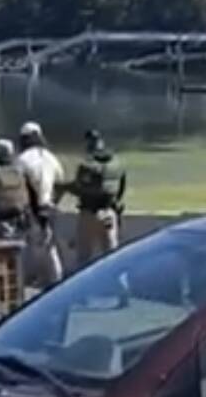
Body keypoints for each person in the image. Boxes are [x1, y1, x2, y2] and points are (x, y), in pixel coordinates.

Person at [65, 129, 127, 267]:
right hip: (110, 212)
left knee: (83, 257)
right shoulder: (117, 164)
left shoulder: (86, 166)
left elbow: (79, 188)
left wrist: (64, 187)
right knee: (112, 256)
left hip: (89, 213)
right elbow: (121, 188)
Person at [16, 121, 65, 287]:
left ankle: (32, 281)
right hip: (50, 208)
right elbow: (60, 182)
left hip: (34, 210)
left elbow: (20, 186)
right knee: (50, 246)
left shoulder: (22, 160)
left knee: (34, 248)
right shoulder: (51, 157)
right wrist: (53, 203)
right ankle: (55, 280)